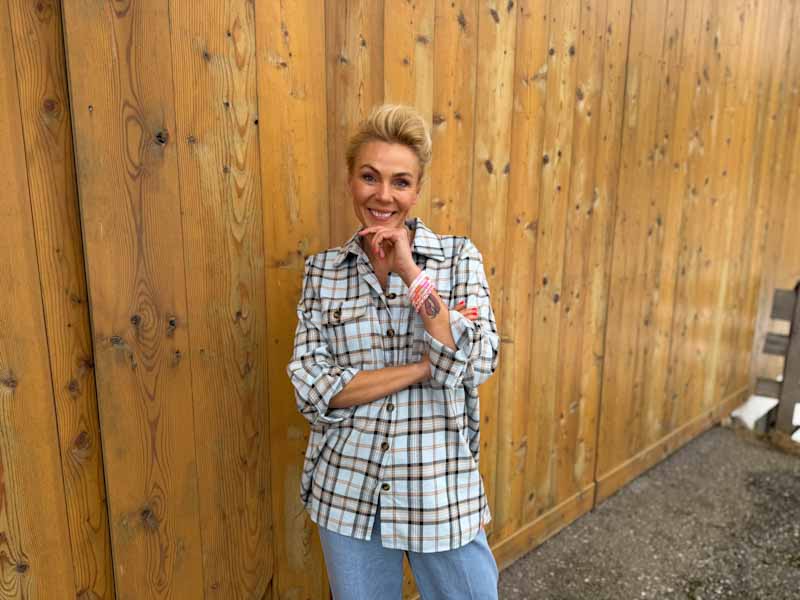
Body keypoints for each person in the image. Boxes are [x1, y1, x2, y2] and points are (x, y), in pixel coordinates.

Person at [287, 104, 500, 599]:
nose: (383, 195)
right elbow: (313, 387)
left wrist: (411, 272)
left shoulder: (458, 259)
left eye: (400, 182)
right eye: (370, 177)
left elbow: (479, 360)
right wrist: (426, 366)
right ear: (350, 181)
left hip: (440, 488)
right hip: (347, 491)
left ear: (416, 190)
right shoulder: (323, 272)